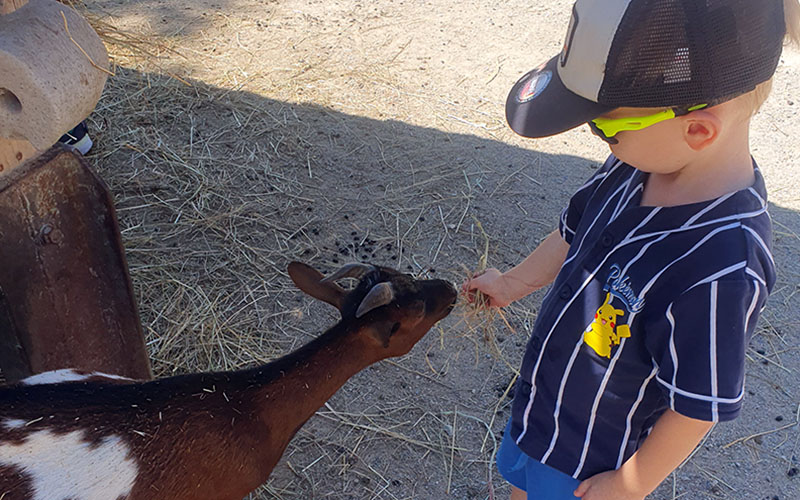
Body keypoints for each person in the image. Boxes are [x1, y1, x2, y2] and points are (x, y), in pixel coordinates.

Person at [465, 1, 800, 499]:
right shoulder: (635, 165)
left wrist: (630, 483)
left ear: (699, 129)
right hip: (544, 410)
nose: (597, 137)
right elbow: (573, 230)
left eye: (606, 128)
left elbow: (698, 403)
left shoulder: (724, 264)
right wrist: (514, 282)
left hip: (591, 459)